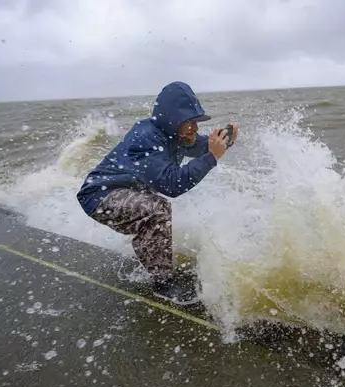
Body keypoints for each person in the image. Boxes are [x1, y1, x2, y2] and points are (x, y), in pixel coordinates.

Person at [76, 81, 238, 305]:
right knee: (157, 209)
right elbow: (172, 185)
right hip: (99, 196)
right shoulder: (147, 138)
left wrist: (223, 142)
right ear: (174, 119)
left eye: (196, 122)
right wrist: (212, 157)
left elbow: (202, 146)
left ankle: (149, 256)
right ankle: (162, 283)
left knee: (153, 210)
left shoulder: (175, 135)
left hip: (122, 192)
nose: (195, 128)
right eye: (190, 122)